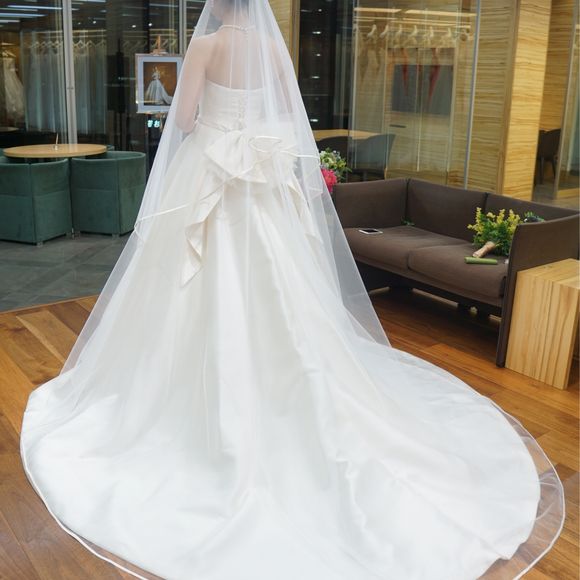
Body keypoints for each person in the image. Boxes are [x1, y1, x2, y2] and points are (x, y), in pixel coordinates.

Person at [20, 0, 564, 578]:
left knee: (195, 283)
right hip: (263, 182)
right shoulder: (273, 51)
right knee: (279, 284)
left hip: (213, 173)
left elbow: (182, 121)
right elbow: (289, 118)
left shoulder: (205, 46)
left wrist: (215, 127)